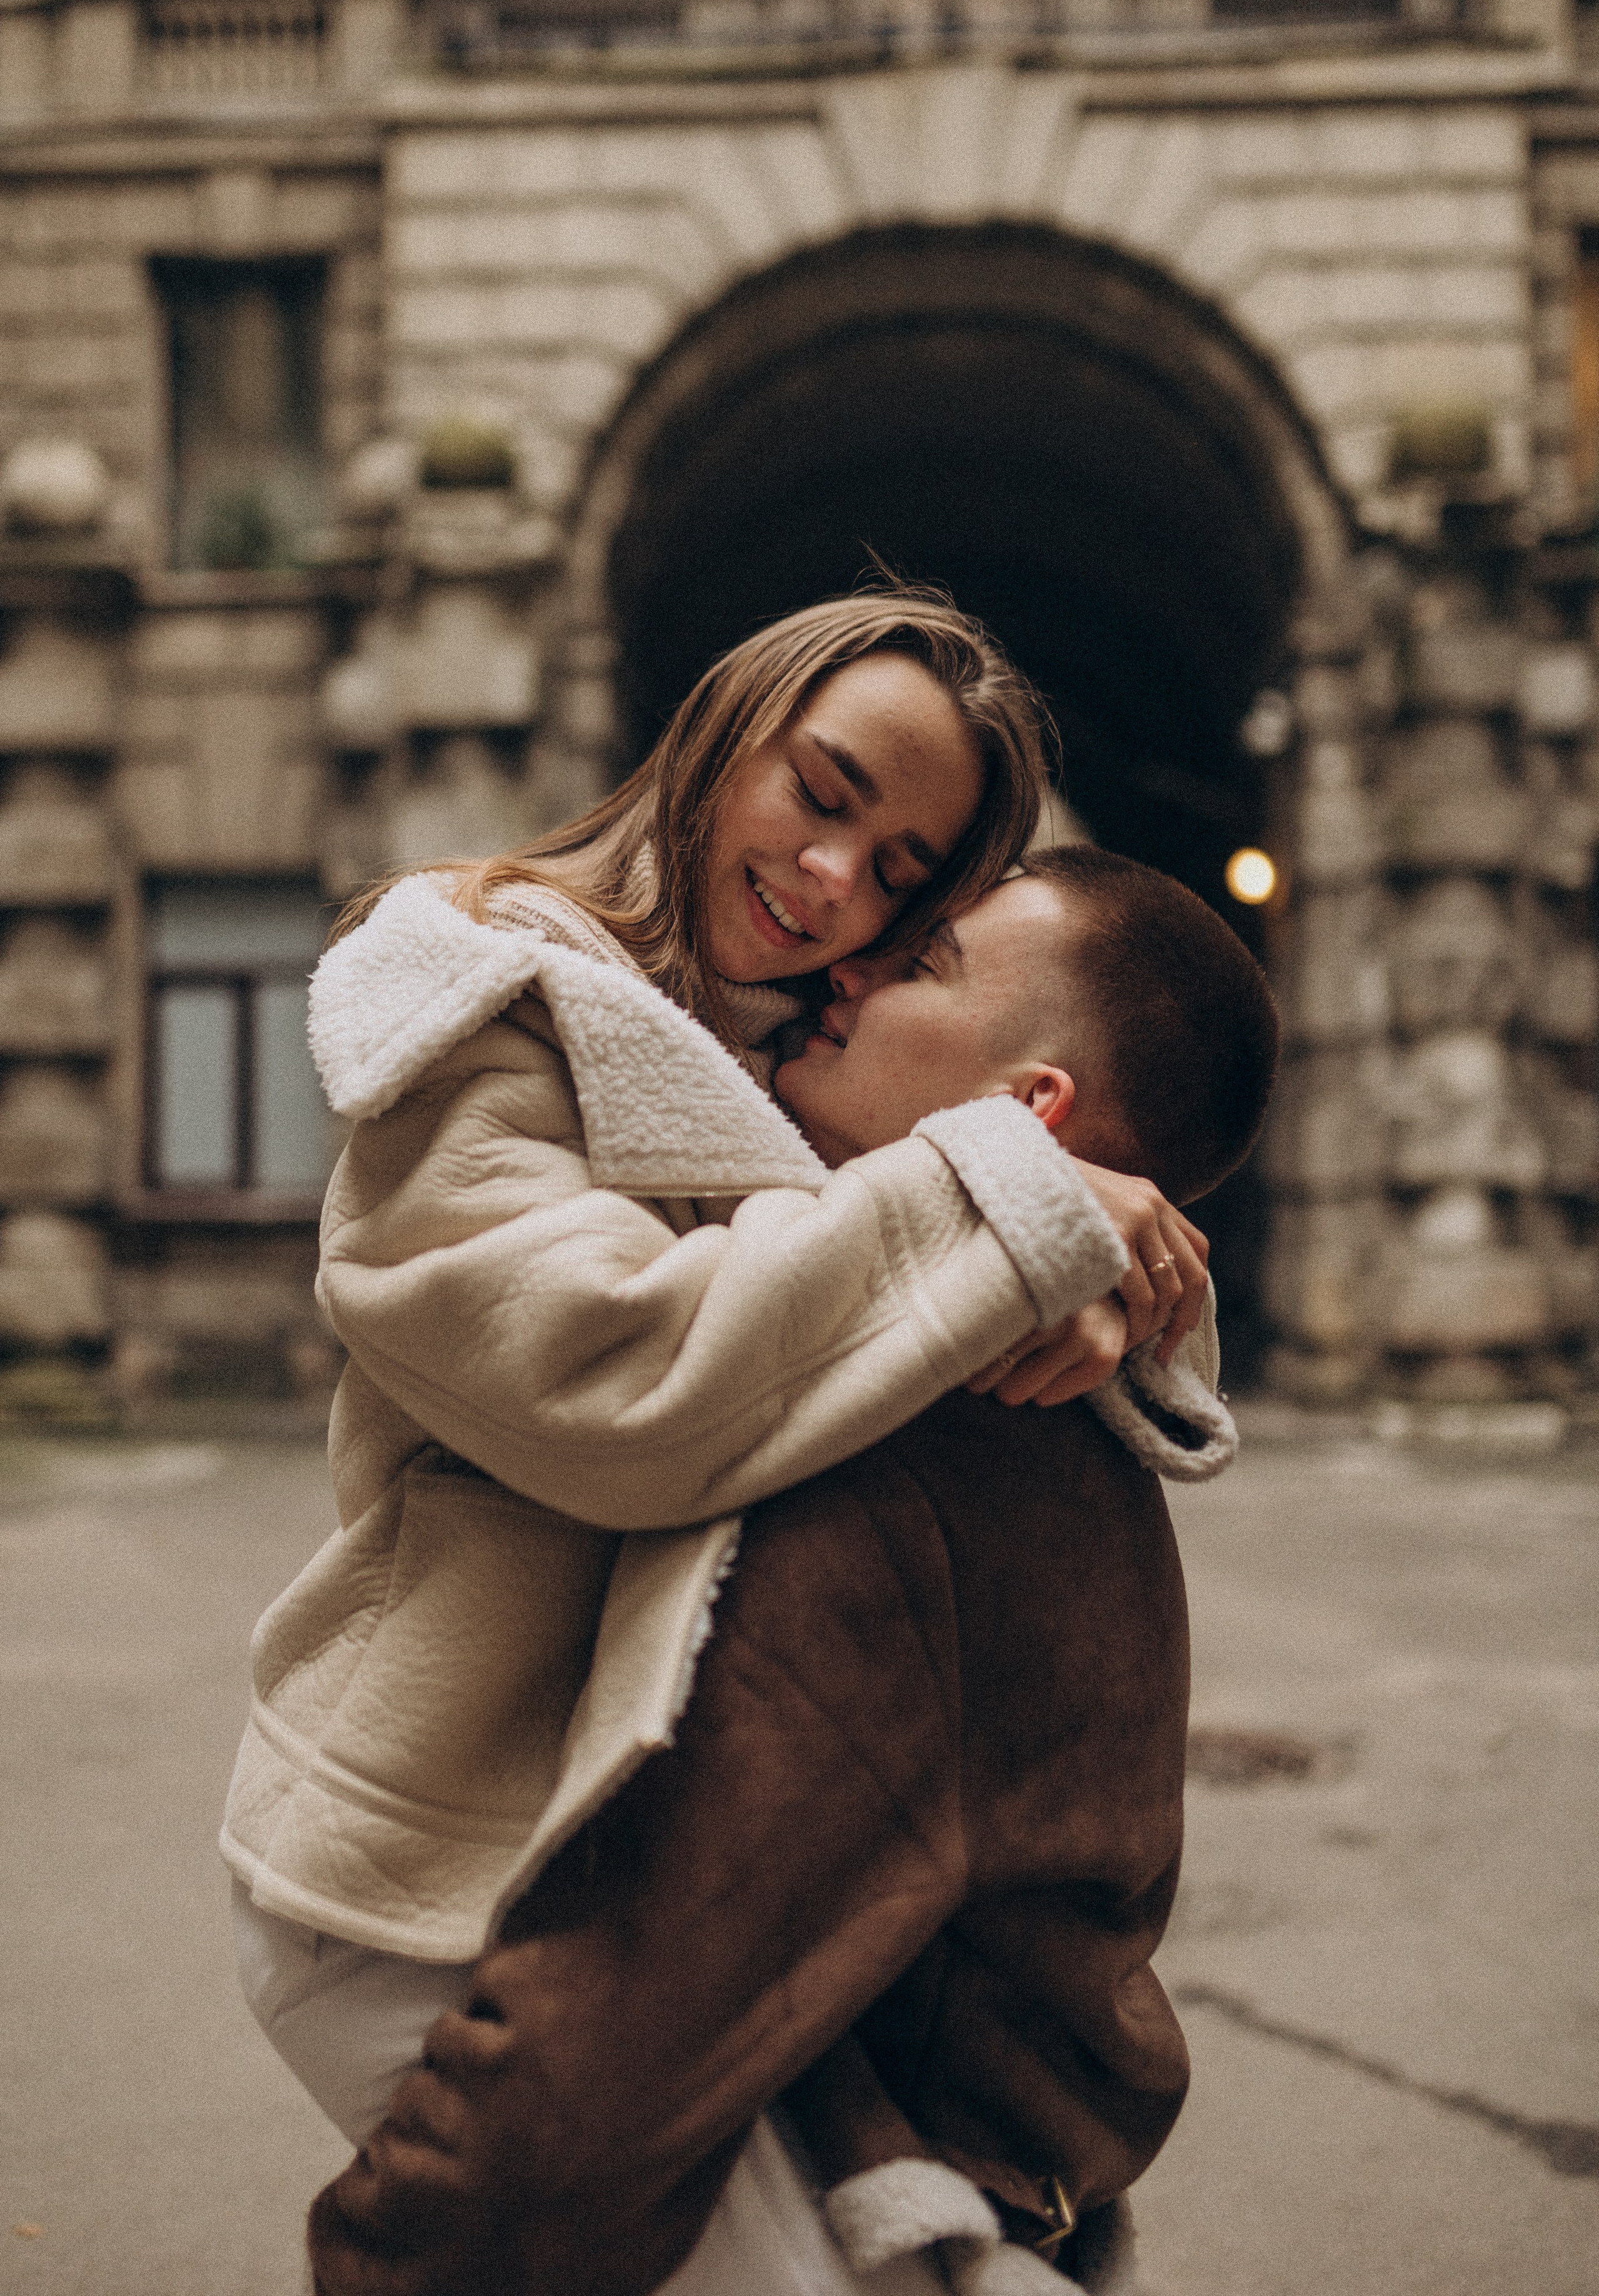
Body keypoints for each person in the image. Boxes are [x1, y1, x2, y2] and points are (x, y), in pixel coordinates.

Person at [297, 847, 1279, 2296]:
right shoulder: (962, 1375)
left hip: (854, 2214)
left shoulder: (912, 1439)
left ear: (1026, 1117)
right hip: (965, 2181)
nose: (850, 965)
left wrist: (396, 2248)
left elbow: (640, 1999)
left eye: (921, 959)